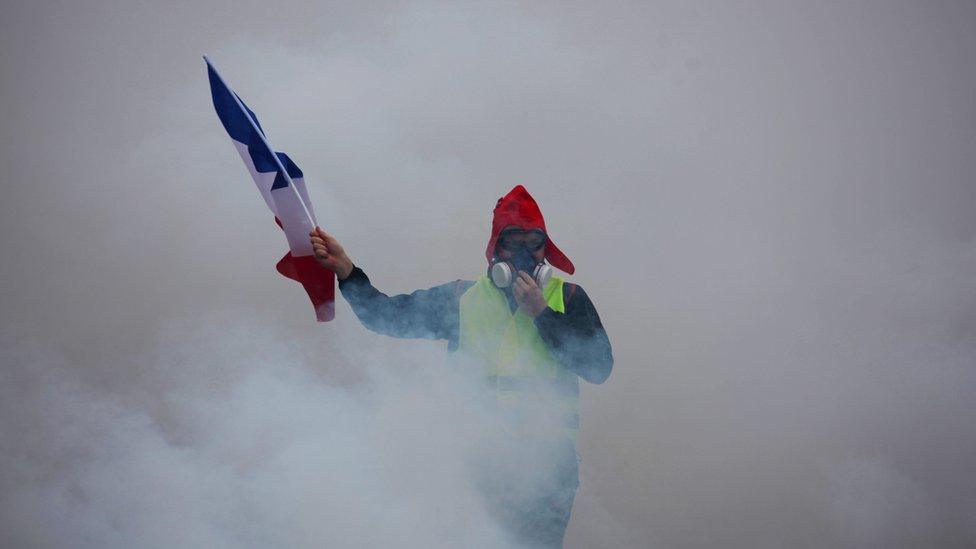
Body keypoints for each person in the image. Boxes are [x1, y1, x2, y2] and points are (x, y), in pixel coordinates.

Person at [310, 185, 613, 547]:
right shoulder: (460, 299)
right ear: (494, 250)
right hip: (479, 467)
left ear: (547, 248)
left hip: (548, 472)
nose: (524, 253)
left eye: (535, 241)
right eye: (512, 240)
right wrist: (346, 270)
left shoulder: (568, 298)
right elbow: (384, 316)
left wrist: (542, 315)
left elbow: (599, 368)